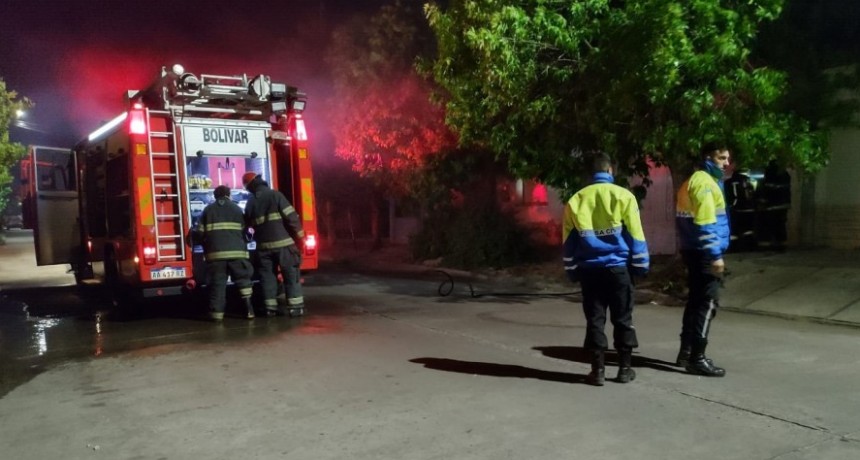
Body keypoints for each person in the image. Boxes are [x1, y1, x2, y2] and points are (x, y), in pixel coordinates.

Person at [562, 153, 650, 386]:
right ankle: (624, 369)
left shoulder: (576, 200)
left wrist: (572, 271)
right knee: (623, 318)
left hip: (590, 272)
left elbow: (569, 243)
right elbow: (636, 236)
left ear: (592, 173)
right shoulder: (624, 196)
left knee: (595, 319)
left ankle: (597, 370)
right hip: (619, 270)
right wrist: (641, 266)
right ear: (610, 170)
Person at [675, 143, 731, 377]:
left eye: (727, 159)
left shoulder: (695, 181)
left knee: (695, 301)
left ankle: (686, 352)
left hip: (693, 249)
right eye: (721, 158)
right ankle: (697, 357)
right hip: (703, 252)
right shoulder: (704, 183)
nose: (726, 163)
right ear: (708, 158)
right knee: (707, 303)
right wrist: (715, 256)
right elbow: (707, 222)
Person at [242, 172, 306, 317]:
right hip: (284, 245)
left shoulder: (251, 202)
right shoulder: (275, 195)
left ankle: (270, 308)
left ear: (250, 187)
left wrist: (249, 240)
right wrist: (300, 237)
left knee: (267, 278)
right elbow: (291, 217)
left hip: (263, 248)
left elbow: (248, 228)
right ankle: (295, 308)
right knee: (291, 275)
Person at [195, 185, 255, 321]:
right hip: (238, 254)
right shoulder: (238, 209)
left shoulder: (207, 210)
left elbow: (199, 233)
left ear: (215, 196)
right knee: (243, 282)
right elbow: (248, 232)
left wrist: (202, 243)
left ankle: (217, 316)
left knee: (218, 285)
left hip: (216, 256)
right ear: (229, 195)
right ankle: (249, 310)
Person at [756, 159, 791, 251]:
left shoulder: (770, 174)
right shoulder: (785, 174)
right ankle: (782, 245)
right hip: (783, 206)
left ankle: (766, 246)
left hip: (771, 206)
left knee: (768, 226)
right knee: (780, 226)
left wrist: (761, 202)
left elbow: (765, 190)